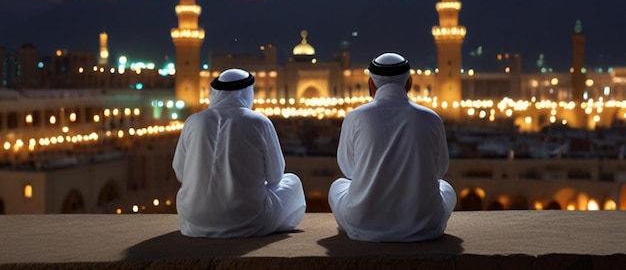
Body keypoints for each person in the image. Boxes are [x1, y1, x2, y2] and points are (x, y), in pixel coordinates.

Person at [328, 52, 456, 242]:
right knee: (445, 187)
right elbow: (439, 171)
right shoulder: (431, 118)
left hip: (363, 224)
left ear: (371, 84)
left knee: (338, 186)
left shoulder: (355, 116)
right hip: (425, 225)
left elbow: (349, 170)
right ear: (409, 83)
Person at [172, 68, 306, 238]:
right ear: (247, 92)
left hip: (193, 222)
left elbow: (180, 173)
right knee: (292, 182)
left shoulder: (193, 121)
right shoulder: (259, 122)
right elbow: (275, 177)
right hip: (248, 221)